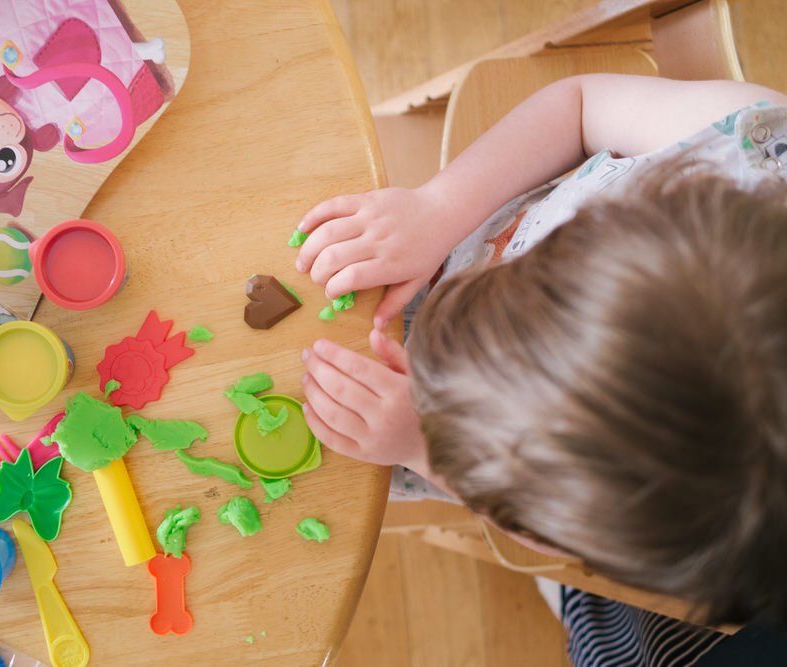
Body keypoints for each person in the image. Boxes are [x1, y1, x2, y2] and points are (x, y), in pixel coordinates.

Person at [292, 74, 787, 665]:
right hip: (440, 235)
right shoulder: (742, 144)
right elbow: (578, 104)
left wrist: (425, 447)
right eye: (520, 278)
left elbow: (538, 529)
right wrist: (439, 207)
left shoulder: (681, 520)